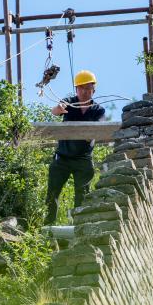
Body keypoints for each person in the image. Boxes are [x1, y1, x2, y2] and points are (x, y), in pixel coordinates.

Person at [44, 69, 106, 224]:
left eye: (88, 88)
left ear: (93, 90)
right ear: (76, 89)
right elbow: (55, 111)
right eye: (81, 88)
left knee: (83, 195)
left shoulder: (98, 110)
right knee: (52, 194)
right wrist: (59, 108)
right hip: (62, 158)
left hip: (83, 160)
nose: (85, 91)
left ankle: (80, 227)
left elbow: (99, 129)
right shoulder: (69, 102)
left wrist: (89, 134)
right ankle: (48, 228)